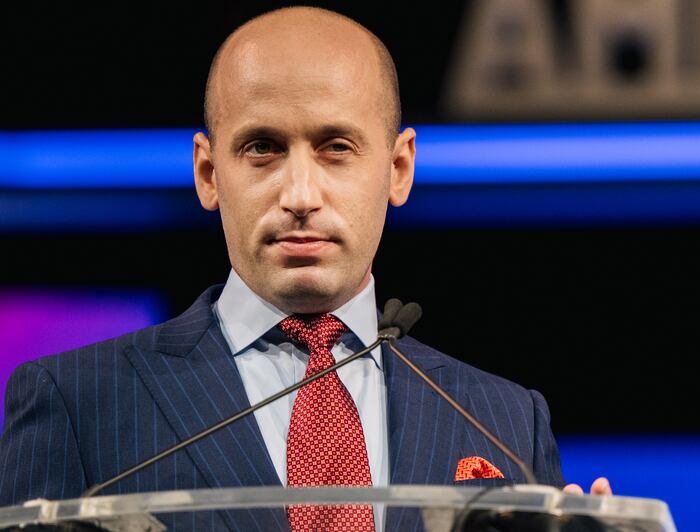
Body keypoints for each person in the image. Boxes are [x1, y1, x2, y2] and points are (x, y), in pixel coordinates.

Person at [0, 6, 610, 531]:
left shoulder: (504, 420)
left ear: (398, 168)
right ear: (209, 174)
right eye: (261, 147)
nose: (299, 193)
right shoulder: (77, 403)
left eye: (335, 148)